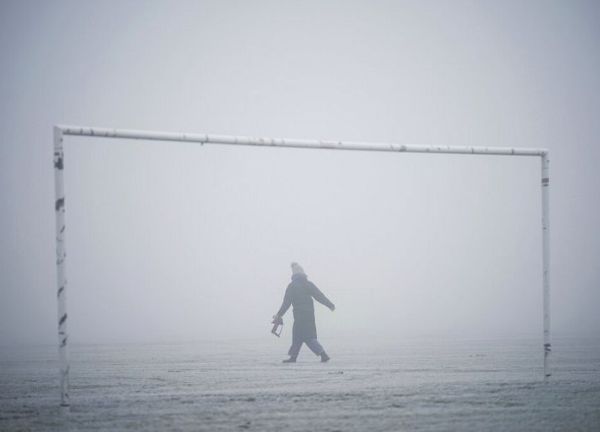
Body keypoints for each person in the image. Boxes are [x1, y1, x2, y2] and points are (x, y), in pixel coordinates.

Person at [274, 262, 335, 363]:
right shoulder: (308, 284)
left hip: (299, 315)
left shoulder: (292, 286)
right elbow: (319, 295)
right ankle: (294, 357)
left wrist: (279, 314)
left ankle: (323, 355)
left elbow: (286, 303)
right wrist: (330, 305)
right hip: (309, 315)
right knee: (300, 335)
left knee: (306, 336)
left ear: (293, 274)